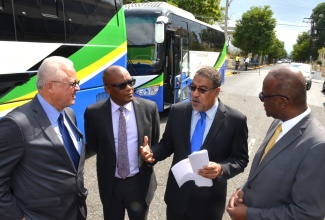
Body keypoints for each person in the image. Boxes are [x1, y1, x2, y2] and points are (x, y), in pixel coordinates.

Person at [140, 66, 249, 220]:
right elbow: (167, 144)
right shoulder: (177, 111)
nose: (194, 94)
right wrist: (152, 153)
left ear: (217, 91)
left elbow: (240, 159)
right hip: (177, 200)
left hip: (209, 205)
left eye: (202, 90)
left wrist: (220, 169)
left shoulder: (235, 120)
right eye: (193, 88)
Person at [227, 66, 325, 219]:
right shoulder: (278, 123)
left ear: (282, 102)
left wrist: (249, 214)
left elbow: (308, 214)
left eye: (263, 96)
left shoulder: (317, 146)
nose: (261, 100)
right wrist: (243, 190)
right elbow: (262, 171)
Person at [0, 56, 87, 219]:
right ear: (50, 87)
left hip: (75, 211)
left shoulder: (69, 114)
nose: (78, 88)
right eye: (73, 83)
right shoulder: (17, 124)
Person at [84, 66, 160, 220]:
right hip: (111, 186)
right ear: (108, 89)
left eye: (131, 82)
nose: (129, 88)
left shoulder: (149, 108)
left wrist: (150, 154)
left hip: (139, 184)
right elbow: (94, 145)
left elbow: (155, 142)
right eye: (122, 85)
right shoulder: (94, 113)